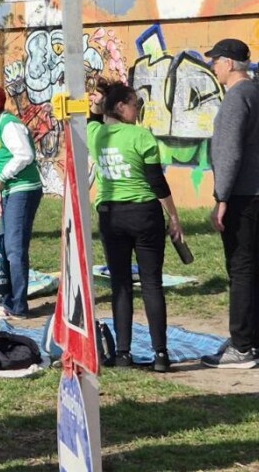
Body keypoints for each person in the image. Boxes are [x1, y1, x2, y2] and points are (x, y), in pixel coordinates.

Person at [88, 79, 182, 373]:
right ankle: (160, 355)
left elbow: (91, 117)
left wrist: (98, 99)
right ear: (120, 107)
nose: (138, 109)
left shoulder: (95, 135)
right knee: (152, 284)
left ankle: (123, 354)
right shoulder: (142, 137)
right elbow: (157, 182)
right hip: (144, 214)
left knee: (121, 285)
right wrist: (174, 217)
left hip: (111, 215)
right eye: (135, 103)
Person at [200, 38, 259, 369]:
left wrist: (222, 198)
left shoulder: (236, 97)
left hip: (241, 194)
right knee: (255, 264)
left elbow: (228, 152)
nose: (213, 66)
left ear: (230, 63)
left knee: (241, 267)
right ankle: (257, 341)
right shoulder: (258, 92)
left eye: (215, 60)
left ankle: (243, 346)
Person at [0, 87, 42, 319]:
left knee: (14, 249)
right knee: (6, 245)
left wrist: (0, 180)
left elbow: (24, 155)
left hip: (23, 190)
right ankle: (9, 298)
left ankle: (18, 305)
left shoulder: (10, 126)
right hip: (9, 191)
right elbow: (2, 164)